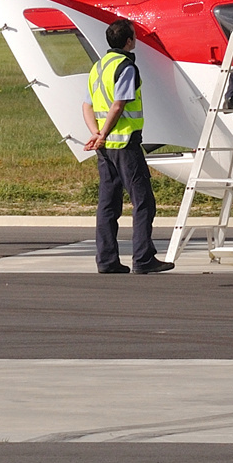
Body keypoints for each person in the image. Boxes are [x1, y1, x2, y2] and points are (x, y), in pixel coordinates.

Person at [82, 18, 174, 275]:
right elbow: (119, 105)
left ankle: (107, 260)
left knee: (108, 205)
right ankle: (143, 258)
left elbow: (87, 106)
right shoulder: (126, 67)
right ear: (129, 41)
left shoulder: (99, 67)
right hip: (124, 144)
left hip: (105, 148)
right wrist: (105, 133)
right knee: (143, 202)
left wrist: (97, 134)